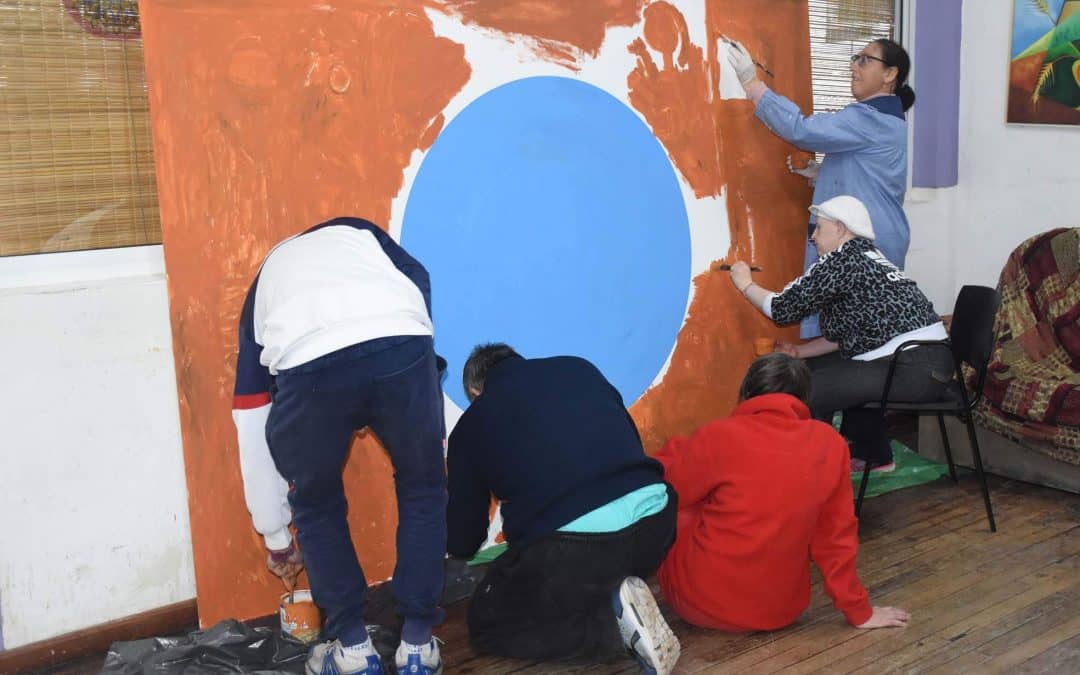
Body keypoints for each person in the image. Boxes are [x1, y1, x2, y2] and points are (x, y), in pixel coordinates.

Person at [231, 216, 447, 675]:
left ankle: (352, 649)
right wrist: (420, 362)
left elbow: (252, 418)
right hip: (400, 337)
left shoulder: (264, 287)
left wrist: (275, 536)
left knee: (317, 501)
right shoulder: (361, 232)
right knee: (424, 484)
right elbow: (419, 279)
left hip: (309, 359)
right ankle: (417, 646)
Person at [445, 343, 680, 674]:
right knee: (583, 565)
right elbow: (628, 444)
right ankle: (623, 604)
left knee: (488, 621)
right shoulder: (578, 367)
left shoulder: (472, 424)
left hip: (574, 548)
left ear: (475, 390)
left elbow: (463, 540)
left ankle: (615, 634)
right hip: (657, 520)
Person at [655, 353, 909, 632]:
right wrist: (861, 612)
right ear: (804, 399)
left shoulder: (718, 435)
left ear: (745, 393)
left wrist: (676, 450)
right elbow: (836, 539)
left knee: (682, 506)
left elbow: (669, 492)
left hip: (700, 605)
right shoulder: (831, 444)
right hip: (780, 612)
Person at [728, 195, 952, 471]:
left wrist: (744, 283)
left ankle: (810, 473)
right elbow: (854, 336)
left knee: (808, 387)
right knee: (809, 368)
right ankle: (874, 455)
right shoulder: (871, 257)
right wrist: (799, 352)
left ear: (841, 229)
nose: (814, 237)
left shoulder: (842, 261)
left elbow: (782, 309)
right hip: (930, 367)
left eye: (819, 228)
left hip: (912, 368)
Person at [728, 37, 915, 340]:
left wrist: (752, 84)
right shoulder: (886, 120)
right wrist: (820, 171)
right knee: (856, 333)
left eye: (865, 60)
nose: (854, 66)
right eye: (855, 58)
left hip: (866, 240)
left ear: (890, 74)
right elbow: (867, 174)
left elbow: (801, 130)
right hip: (876, 235)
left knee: (858, 339)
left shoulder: (870, 118)